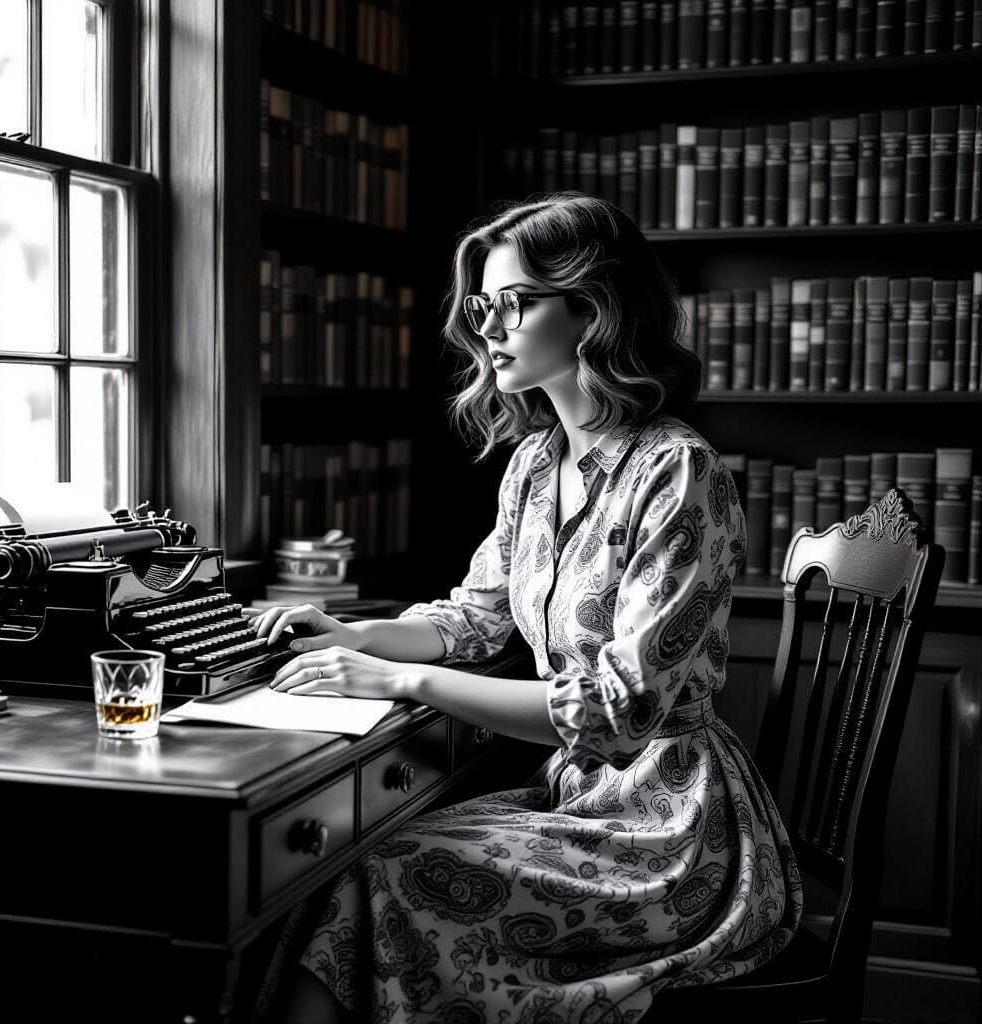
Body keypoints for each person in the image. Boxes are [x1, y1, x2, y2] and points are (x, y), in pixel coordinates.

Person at [251, 192, 802, 1024]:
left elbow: (623, 713)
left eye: (514, 304)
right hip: (574, 796)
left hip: (667, 828)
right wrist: (355, 632)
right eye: (483, 308)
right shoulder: (536, 464)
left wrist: (402, 682)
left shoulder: (679, 472)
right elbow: (479, 617)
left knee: (391, 875)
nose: (488, 330)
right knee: (337, 871)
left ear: (593, 310)